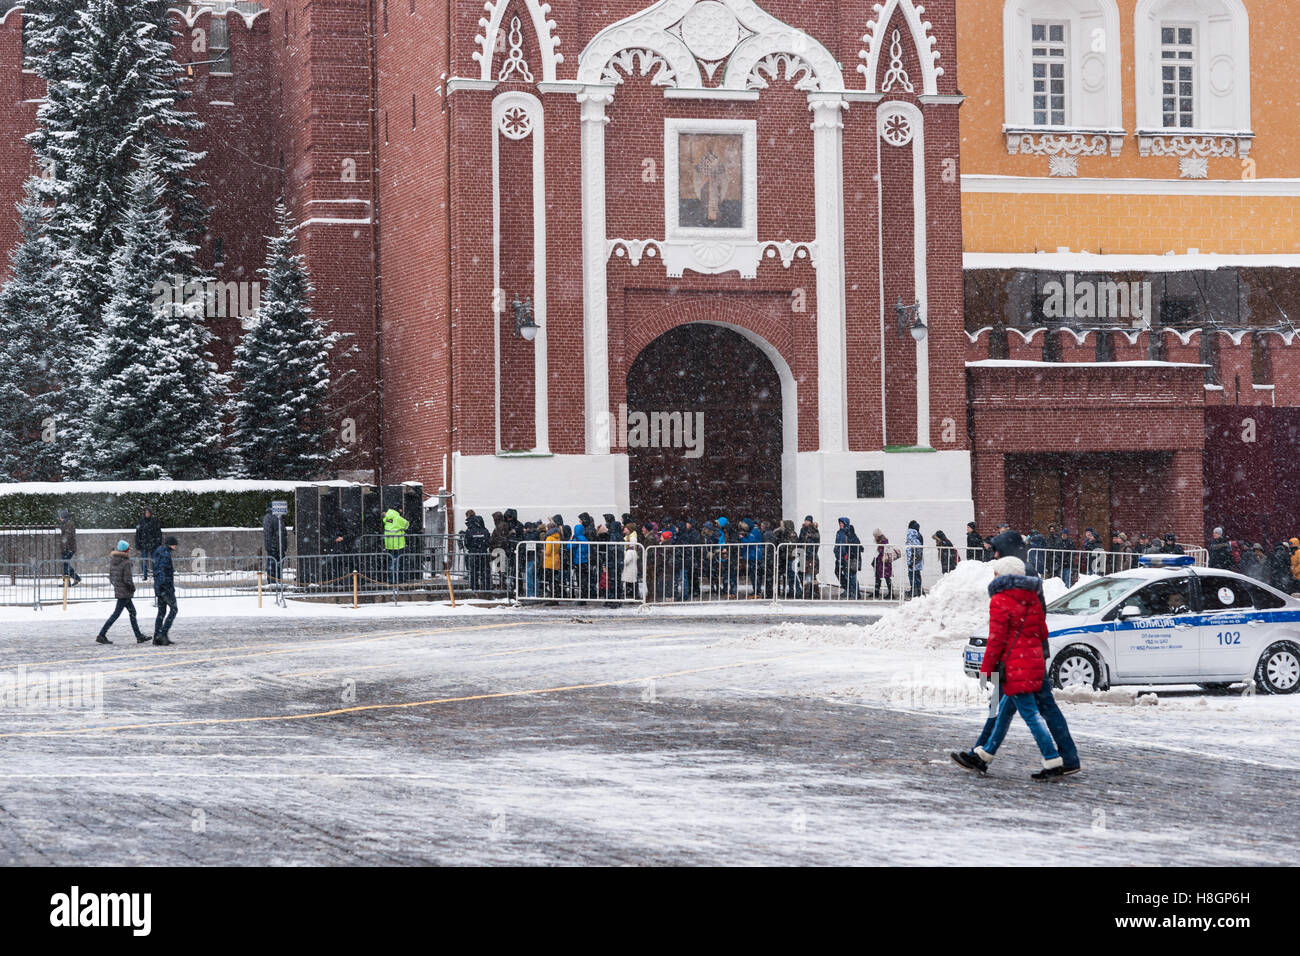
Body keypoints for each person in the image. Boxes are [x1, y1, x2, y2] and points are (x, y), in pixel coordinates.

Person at [951, 530, 1078, 780]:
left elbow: (999, 636)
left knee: (1022, 710)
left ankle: (1056, 759)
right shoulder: (1028, 582)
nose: (994, 554)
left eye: (997, 550)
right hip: (1030, 656)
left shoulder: (1014, 583)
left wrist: (990, 666)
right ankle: (982, 754)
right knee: (1006, 707)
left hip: (1014, 661)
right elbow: (1040, 625)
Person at [96, 541, 148, 645]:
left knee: (132, 612)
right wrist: (132, 588)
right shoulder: (126, 562)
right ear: (126, 550)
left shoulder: (113, 561)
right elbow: (127, 579)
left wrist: (117, 586)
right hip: (125, 592)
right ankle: (101, 635)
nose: (129, 550)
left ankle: (139, 636)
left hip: (120, 591)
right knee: (117, 614)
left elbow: (111, 578)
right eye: (128, 549)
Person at [151, 536, 180, 645]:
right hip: (165, 588)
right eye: (174, 544)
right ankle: (162, 634)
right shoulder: (165, 555)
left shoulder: (160, 553)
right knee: (174, 609)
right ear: (170, 545)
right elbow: (161, 571)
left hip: (160, 587)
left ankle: (157, 636)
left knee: (161, 612)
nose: (175, 546)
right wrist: (164, 586)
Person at [834, 517, 862, 600]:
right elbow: (837, 544)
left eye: (842, 523)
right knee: (838, 572)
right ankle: (848, 589)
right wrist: (836, 551)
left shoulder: (849, 533)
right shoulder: (838, 532)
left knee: (850, 575)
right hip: (839, 557)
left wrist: (847, 554)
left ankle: (855, 593)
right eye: (840, 523)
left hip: (848, 557)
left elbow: (855, 545)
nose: (840, 524)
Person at [463, 513, 491, 591]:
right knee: (485, 571)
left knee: (474, 571)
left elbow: (466, 543)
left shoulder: (469, 531)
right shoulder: (485, 530)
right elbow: (488, 541)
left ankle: (474, 587)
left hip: (473, 553)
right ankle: (486, 587)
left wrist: (472, 548)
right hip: (483, 553)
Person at [382, 507, 409, 586]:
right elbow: (407, 524)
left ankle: (391, 579)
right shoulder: (397, 518)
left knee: (391, 562)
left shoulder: (386, 517)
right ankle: (399, 579)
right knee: (398, 562)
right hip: (398, 544)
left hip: (389, 544)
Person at [135, 507, 162, 581]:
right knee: (144, 561)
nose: (147, 514)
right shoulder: (141, 522)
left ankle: (155, 575)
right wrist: (138, 544)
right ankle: (145, 575)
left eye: (148, 512)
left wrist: (158, 543)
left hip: (153, 545)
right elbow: (138, 534)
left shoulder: (155, 521)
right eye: (146, 512)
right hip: (144, 545)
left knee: (154, 560)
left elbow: (159, 533)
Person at [262, 504, 288, 582]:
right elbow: (268, 533)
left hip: (278, 547)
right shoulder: (270, 517)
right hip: (275, 547)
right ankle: (273, 582)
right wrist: (272, 546)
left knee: (277, 566)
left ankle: (277, 581)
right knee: (273, 566)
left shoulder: (277, 517)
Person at [57, 508, 81, 586]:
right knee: (66, 564)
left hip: (68, 549)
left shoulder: (69, 524)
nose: (60, 518)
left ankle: (67, 582)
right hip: (67, 548)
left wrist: (65, 548)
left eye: (61, 517)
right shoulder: (65, 524)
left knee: (65, 565)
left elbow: (67, 536)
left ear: (63, 517)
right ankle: (75, 578)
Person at [871, 529, 895, 600]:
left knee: (886, 577)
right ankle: (877, 592)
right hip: (882, 562)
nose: (874, 537)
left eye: (875, 536)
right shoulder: (884, 541)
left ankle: (889, 594)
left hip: (883, 562)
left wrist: (875, 560)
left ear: (878, 536)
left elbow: (880, 552)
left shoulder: (883, 542)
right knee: (880, 577)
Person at [904, 519, 924, 598]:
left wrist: (910, 561)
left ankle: (914, 592)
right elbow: (919, 549)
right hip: (918, 560)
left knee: (912, 576)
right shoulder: (918, 535)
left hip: (913, 560)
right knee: (917, 575)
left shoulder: (911, 535)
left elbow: (911, 549)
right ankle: (919, 591)